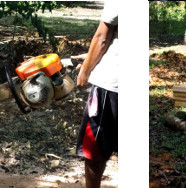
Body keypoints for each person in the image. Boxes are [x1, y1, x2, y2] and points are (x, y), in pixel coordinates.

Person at [74, 2, 118, 187]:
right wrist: (93, 56)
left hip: (112, 86)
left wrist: (85, 71)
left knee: (95, 152)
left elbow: (102, 37)